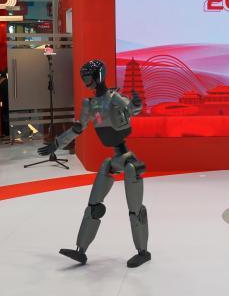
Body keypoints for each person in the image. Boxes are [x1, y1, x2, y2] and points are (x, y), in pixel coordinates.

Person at [37, 59, 151, 268]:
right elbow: (78, 128)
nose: (86, 82)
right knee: (93, 206)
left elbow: (132, 110)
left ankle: (142, 252)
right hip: (114, 159)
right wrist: (56, 144)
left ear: (98, 76)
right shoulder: (89, 104)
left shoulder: (114, 98)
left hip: (127, 159)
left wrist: (136, 104)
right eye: (84, 78)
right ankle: (81, 250)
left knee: (135, 209)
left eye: (88, 77)